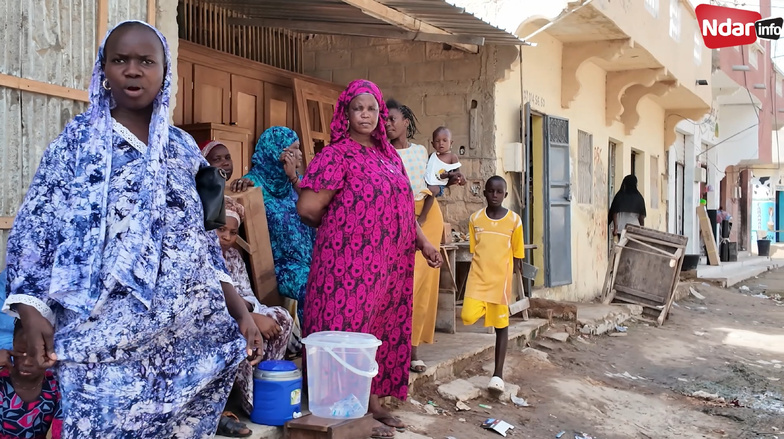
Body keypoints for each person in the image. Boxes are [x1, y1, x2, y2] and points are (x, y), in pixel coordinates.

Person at [2, 21, 262, 437]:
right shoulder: (76, 145)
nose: (133, 70)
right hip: (102, 342)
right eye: (120, 60)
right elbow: (37, 231)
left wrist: (239, 310)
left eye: (146, 61)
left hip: (182, 341)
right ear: (103, 69)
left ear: (165, 71)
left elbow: (202, 245)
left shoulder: (182, 152)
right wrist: (31, 311)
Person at [297, 79, 442, 438]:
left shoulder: (388, 155)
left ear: (381, 115)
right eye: (358, 108)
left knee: (377, 330)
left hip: (388, 265)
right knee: (345, 328)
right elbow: (308, 208)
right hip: (346, 265)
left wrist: (422, 242)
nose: (366, 114)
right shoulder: (336, 155)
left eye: (372, 109)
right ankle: (343, 406)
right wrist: (350, 231)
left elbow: (404, 208)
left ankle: (371, 400)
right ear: (346, 113)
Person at [385, 100, 465, 374]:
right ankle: (393, 349)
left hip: (427, 219)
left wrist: (419, 219)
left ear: (406, 120)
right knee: (399, 285)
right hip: (397, 219)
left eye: (392, 118)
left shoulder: (421, 152)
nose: (387, 123)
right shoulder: (381, 153)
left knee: (420, 286)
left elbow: (433, 187)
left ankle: (413, 350)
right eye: (385, 119)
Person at [217, 196, 294, 437]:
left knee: (282, 318)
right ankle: (250, 398)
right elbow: (214, 299)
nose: (227, 237)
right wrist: (249, 319)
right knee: (242, 334)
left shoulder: (234, 257)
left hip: (245, 312)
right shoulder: (203, 255)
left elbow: (247, 294)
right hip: (219, 317)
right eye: (221, 229)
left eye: (233, 231)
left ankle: (266, 384)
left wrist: (252, 313)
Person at [229, 127, 316, 331]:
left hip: (308, 260)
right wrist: (243, 186)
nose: (300, 154)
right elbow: (239, 199)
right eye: (295, 148)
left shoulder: (292, 183)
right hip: (279, 266)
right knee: (312, 286)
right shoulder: (253, 184)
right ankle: (312, 344)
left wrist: (293, 176)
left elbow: (313, 206)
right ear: (279, 154)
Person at [462, 176, 524, 393]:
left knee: (501, 327)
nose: (495, 195)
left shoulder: (515, 221)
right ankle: (486, 308)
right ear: (484, 193)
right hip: (478, 279)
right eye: (491, 191)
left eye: (499, 192)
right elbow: (474, 250)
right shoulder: (475, 219)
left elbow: (517, 255)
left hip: (500, 284)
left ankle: (497, 375)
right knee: (467, 316)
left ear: (505, 195)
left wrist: (513, 282)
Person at [0, 320, 62, 439]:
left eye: (36, 355)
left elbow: (59, 432)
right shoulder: (2, 380)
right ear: (13, 345)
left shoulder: (55, 388)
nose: (27, 362)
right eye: (21, 352)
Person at [424, 127, 461, 197]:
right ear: (433, 144)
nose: (441, 143)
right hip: (429, 181)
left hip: (440, 184)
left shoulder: (452, 157)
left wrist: (448, 175)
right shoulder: (432, 156)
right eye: (437, 141)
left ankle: (425, 208)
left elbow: (458, 173)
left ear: (451, 143)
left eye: (444, 140)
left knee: (432, 190)